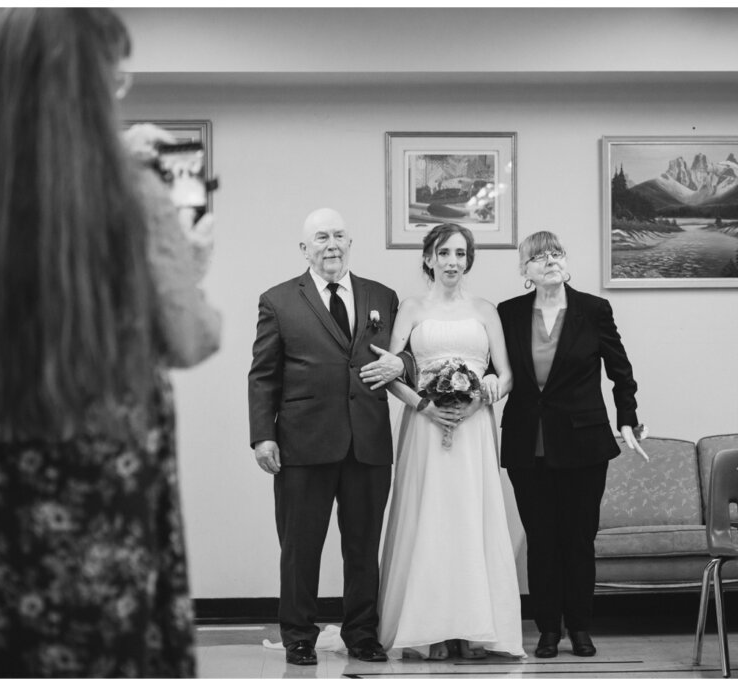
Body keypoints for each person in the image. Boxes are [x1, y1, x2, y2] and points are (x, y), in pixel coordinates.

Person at [0, 8, 221, 677]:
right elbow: (190, 337)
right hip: (103, 493)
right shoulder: (138, 198)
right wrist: (190, 256)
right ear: (89, 87)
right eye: (114, 81)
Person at [247, 208, 409, 666]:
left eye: (339, 235)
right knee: (300, 546)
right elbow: (263, 375)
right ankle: (299, 635)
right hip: (302, 443)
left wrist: (404, 365)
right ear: (305, 249)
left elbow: (406, 356)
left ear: (350, 243)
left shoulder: (382, 295)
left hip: (368, 442)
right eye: (321, 237)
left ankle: (362, 634)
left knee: (363, 547)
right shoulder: (278, 300)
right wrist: (263, 436)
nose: (331, 244)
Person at [377, 223, 525, 660]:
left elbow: (506, 372)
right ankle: (429, 630)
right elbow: (391, 372)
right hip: (425, 427)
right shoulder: (410, 308)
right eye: (444, 253)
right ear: (428, 258)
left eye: (460, 254)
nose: (452, 262)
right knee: (430, 518)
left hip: (474, 428)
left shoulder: (485, 310)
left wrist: (482, 396)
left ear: (468, 260)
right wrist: (425, 405)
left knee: (469, 520)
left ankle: (472, 627)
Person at [497, 231, 645, 659]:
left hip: (584, 443)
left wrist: (628, 418)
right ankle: (547, 629)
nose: (549, 261)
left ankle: (580, 627)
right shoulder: (508, 313)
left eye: (556, 253)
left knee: (578, 539)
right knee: (541, 540)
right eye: (538, 257)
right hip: (528, 444)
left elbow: (621, 370)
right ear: (524, 271)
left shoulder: (593, 310)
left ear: (567, 262)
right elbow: (493, 370)